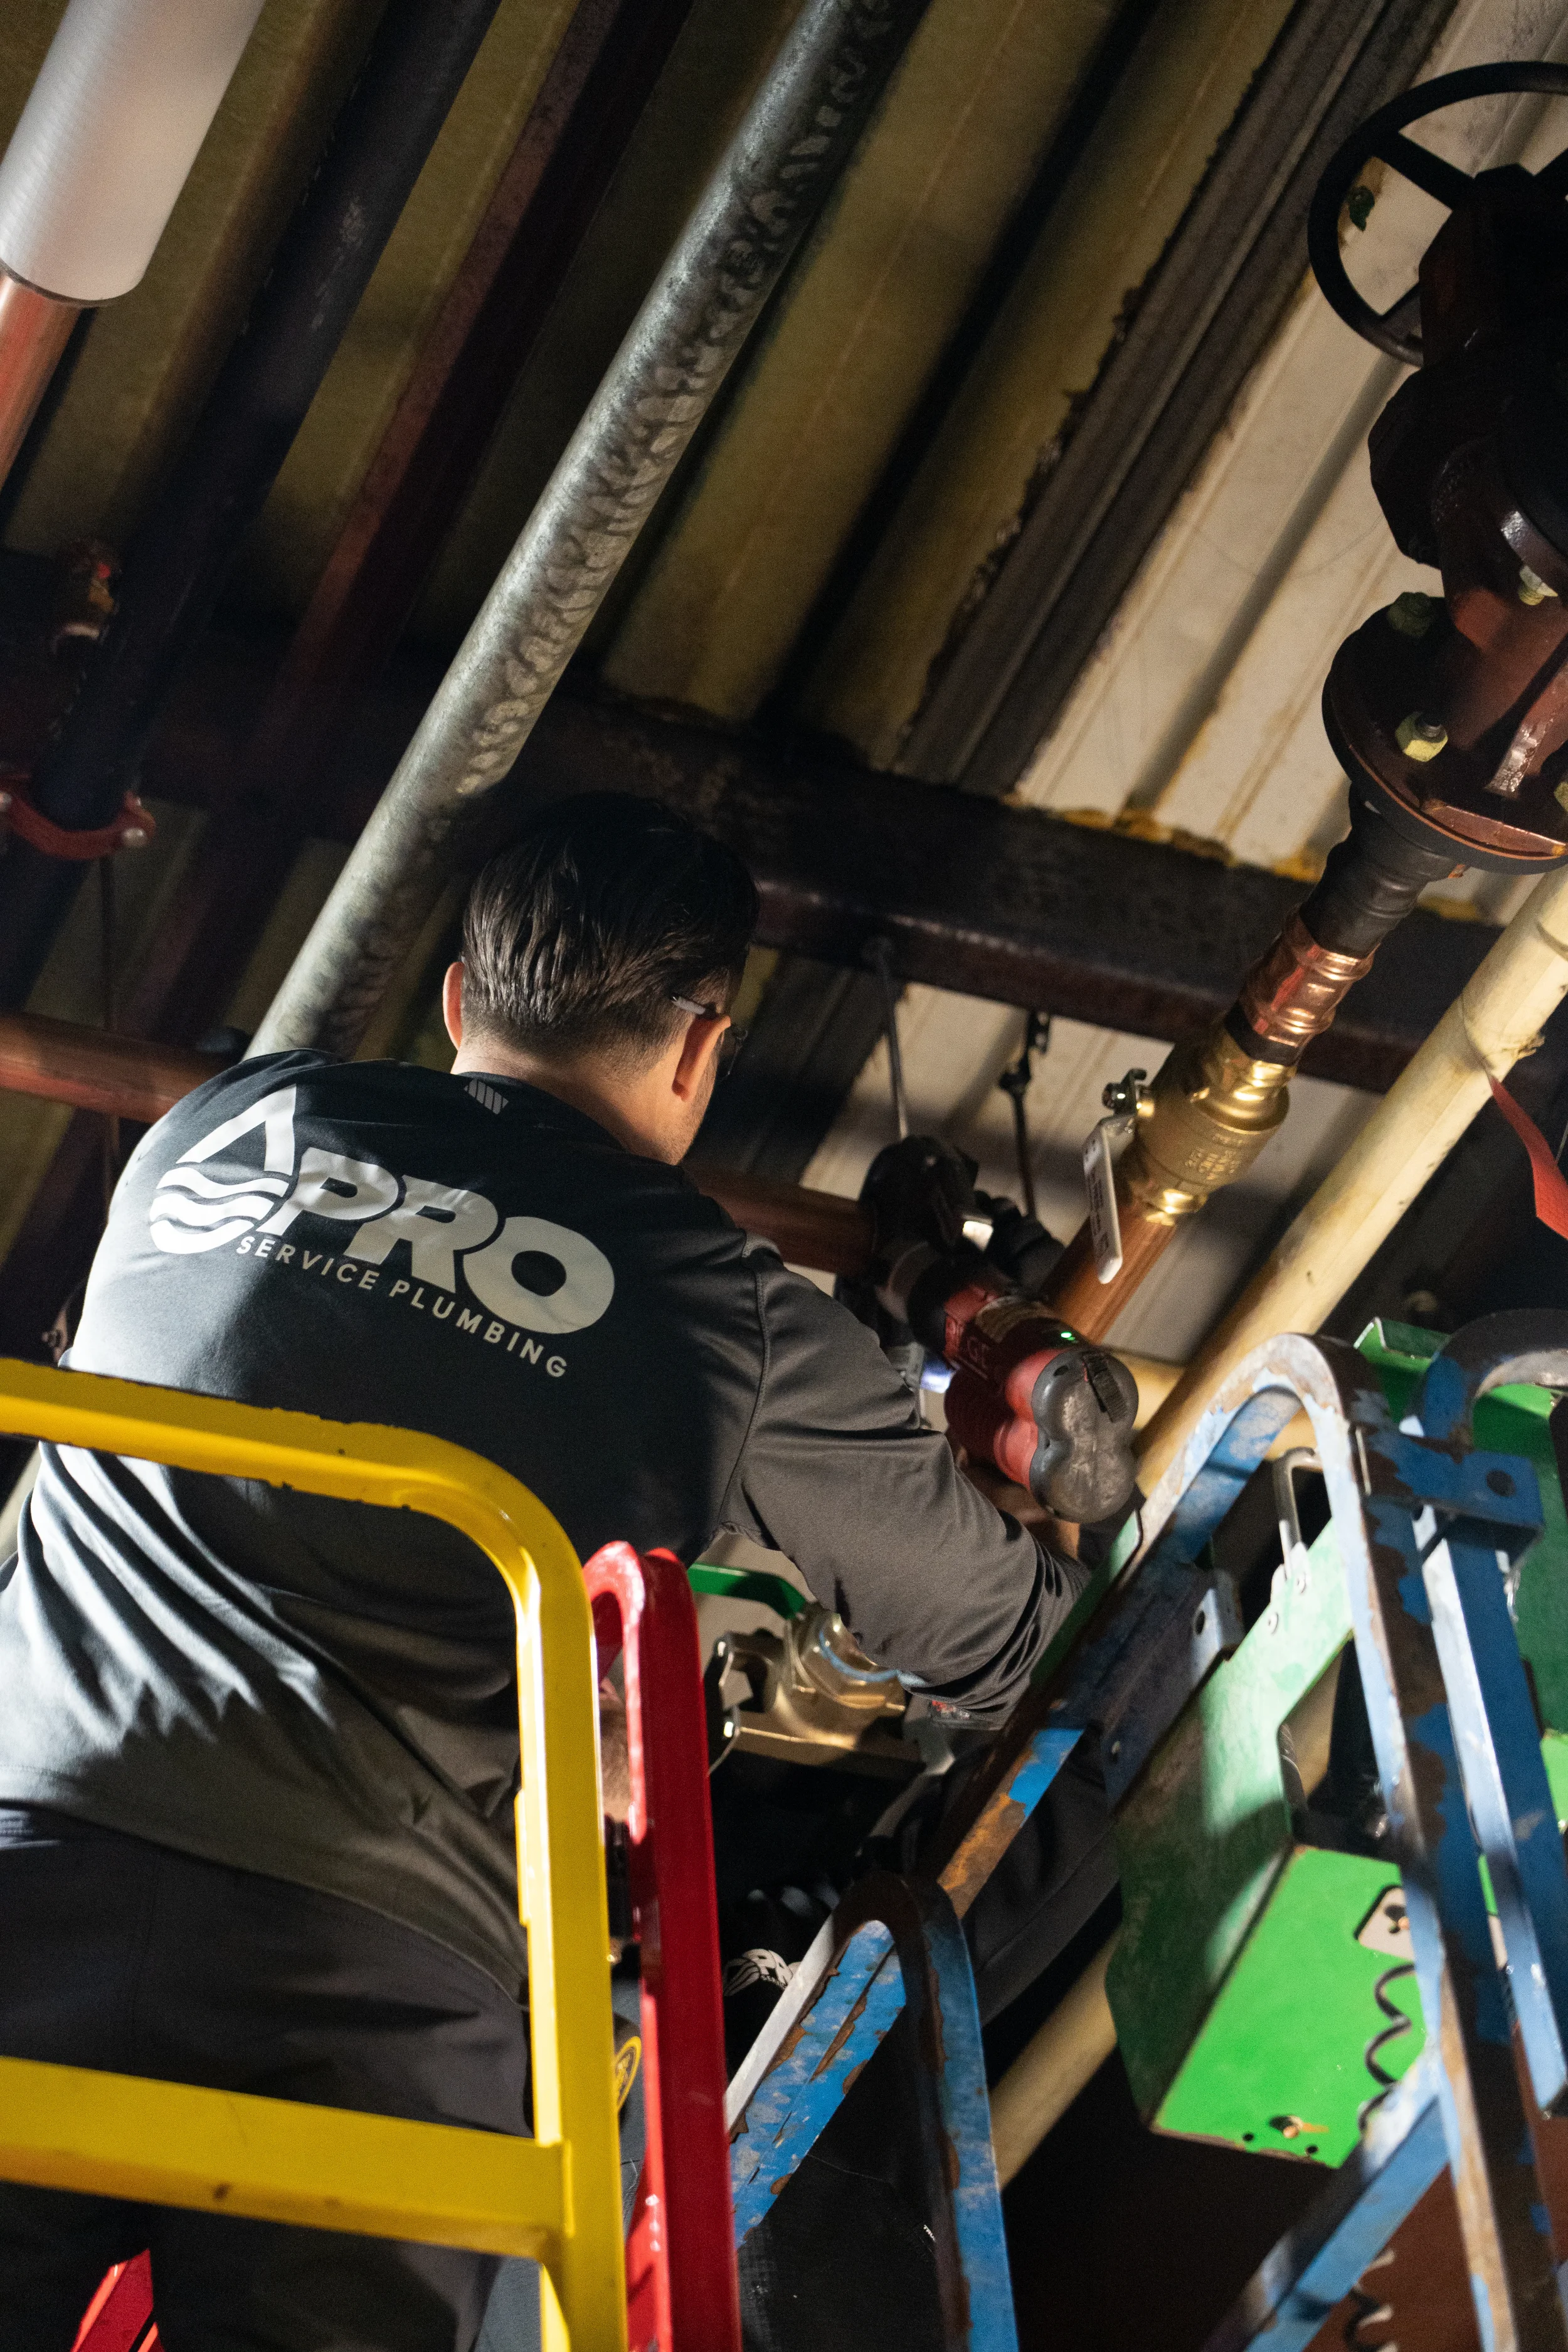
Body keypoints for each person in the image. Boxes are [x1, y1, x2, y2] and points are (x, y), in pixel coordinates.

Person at [0, 792, 1086, 2351]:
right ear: (699, 1050)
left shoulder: (210, 1129)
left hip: (30, 1858)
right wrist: (1063, 1500)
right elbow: (1010, 1648)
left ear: (457, 1000)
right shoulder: (729, 1306)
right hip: (369, 1982)